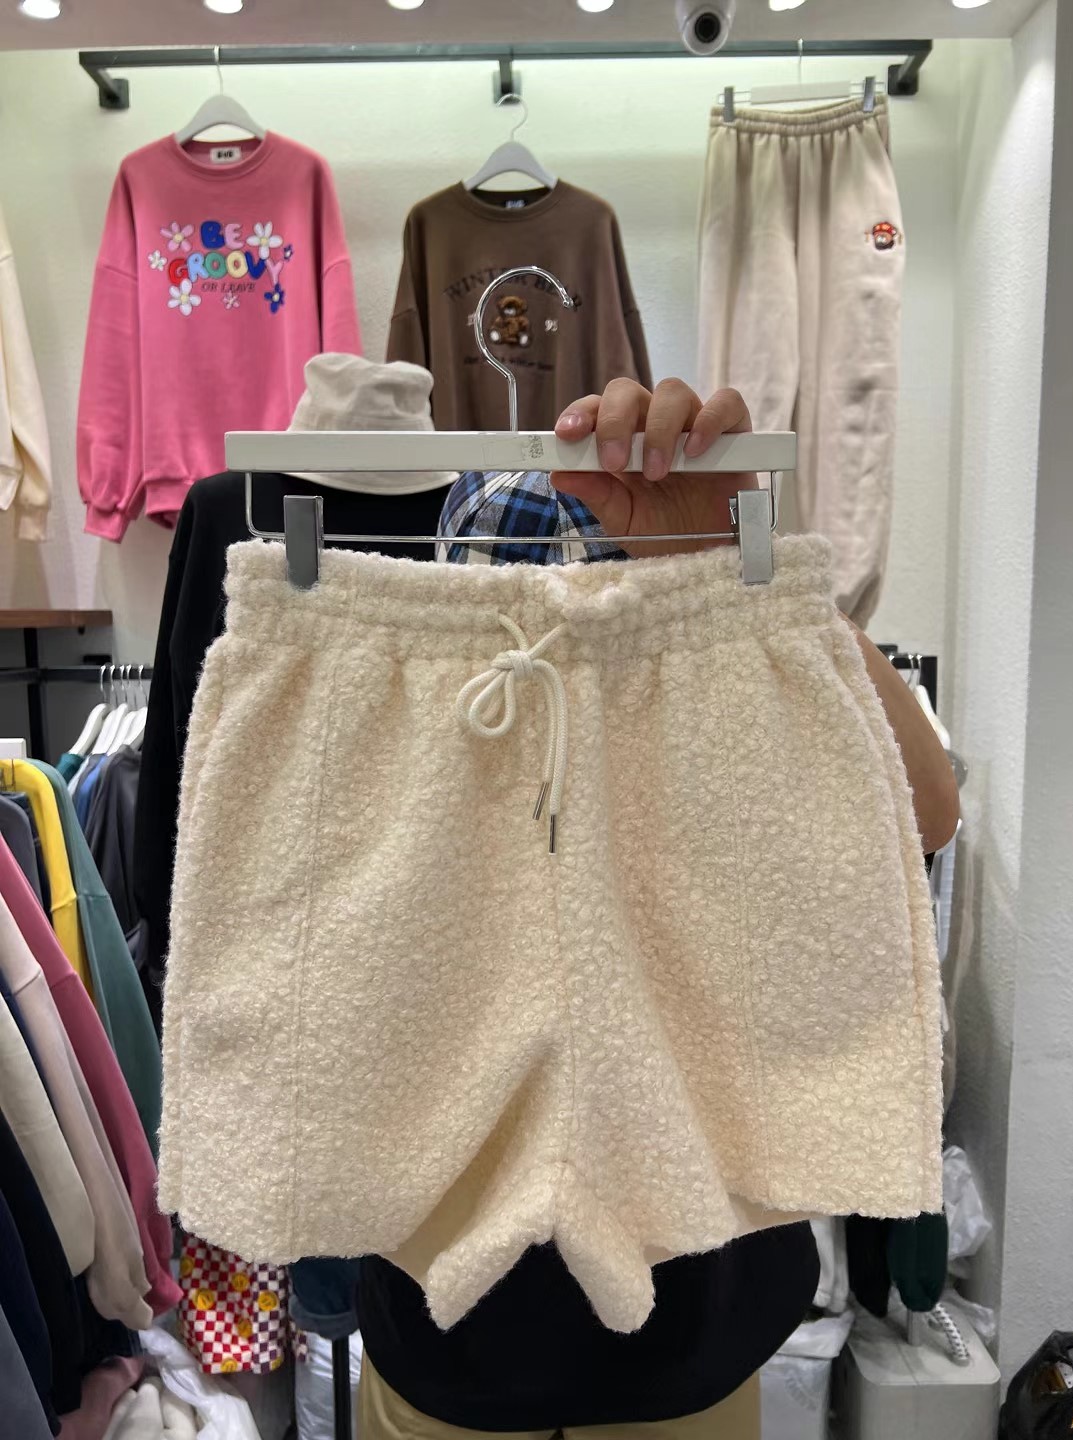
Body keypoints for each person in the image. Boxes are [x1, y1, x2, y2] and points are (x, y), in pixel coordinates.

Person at [354, 379, 960, 1439]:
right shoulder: (404, 740)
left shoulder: (730, 728)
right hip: (458, 1336)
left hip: (683, 1329)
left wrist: (743, 580)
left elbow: (928, 811)